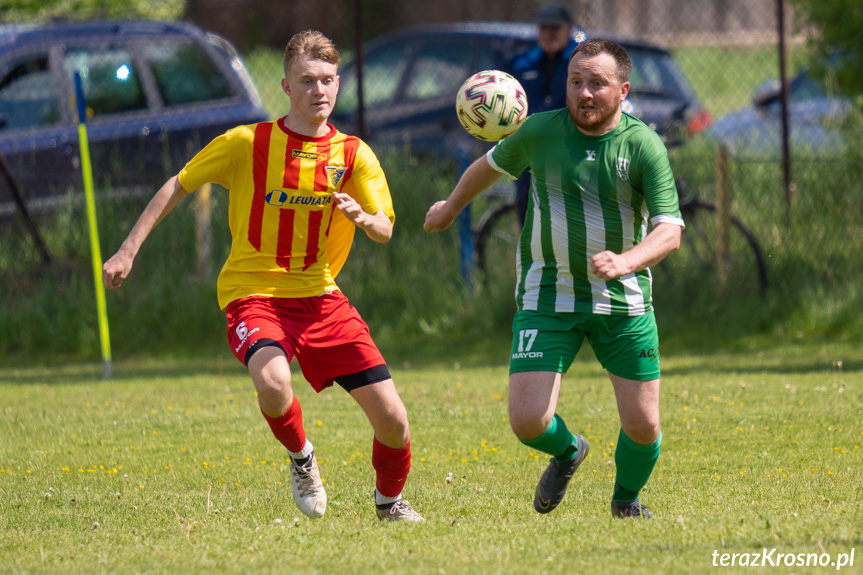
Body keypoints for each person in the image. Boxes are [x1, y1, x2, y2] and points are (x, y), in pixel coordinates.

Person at [102, 30, 423, 523]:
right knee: (273, 383)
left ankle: (389, 503)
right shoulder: (247, 143)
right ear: (287, 87)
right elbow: (179, 184)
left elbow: (385, 228)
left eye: (329, 80)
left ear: (339, 84)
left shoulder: (354, 154)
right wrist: (128, 249)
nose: (320, 90)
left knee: (394, 420)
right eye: (308, 81)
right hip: (254, 295)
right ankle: (302, 458)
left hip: (321, 298)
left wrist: (362, 217)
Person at [425, 38, 683, 518]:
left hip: (622, 301)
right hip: (547, 297)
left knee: (645, 426)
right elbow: (489, 166)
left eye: (598, 85)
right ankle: (569, 452)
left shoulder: (643, 145)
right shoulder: (539, 131)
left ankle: (625, 501)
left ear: (623, 90)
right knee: (527, 421)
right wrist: (449, 207)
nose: (584, 93)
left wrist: (627, 261)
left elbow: (670, 231)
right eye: (576, 82)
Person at [507, 2, 581, 226]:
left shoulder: (580, 61)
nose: (550, 34)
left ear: (568, 29)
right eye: (544, 28)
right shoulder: (522, 64)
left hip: (571, 153)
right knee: (528, 211)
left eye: (555, 28)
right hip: (531, 153)